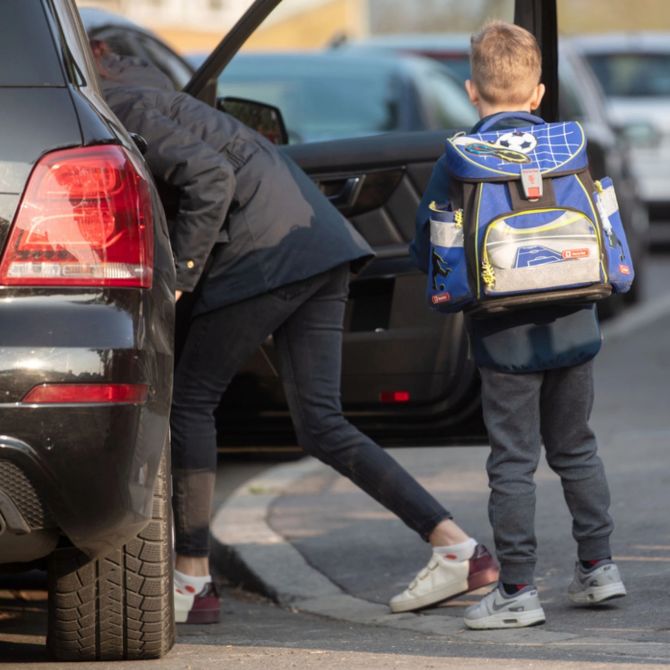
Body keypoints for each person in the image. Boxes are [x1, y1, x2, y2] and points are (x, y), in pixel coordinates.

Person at [91, 44, 499, 624]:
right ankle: (457, 547)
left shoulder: (122, 107)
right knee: (323, 426)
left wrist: (180, 277)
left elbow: (210, 178)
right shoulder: (164, 96)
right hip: (319, 249)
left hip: (266, 259)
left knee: (190, 401)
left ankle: (192, 580)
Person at [411, 21, 627, 630]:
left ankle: (516, 589)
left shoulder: (461, 158)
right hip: (576, 324)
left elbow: (425, 247)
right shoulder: (570, 147)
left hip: (502, 338)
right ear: (537, 94)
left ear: (471, 93)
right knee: (577, 448)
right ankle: (598, 566)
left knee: (512, 462)